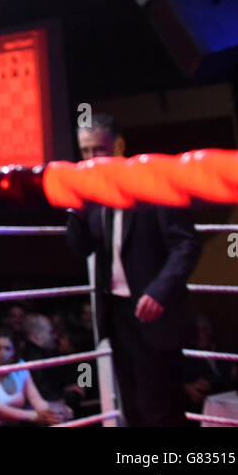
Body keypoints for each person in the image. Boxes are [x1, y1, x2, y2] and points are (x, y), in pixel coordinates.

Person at [65, 113, 203, 426]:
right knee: (133, 408)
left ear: (119, 145)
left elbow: (187, 244)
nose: (91, 159)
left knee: (162, 410)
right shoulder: (94, 191)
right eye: (84, 152)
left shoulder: (154, 182)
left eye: (97, 150)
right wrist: (76, 207)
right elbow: (80, 248)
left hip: (155, 313)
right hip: (116, 313)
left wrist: (159, 292)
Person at [0, 329, 63, 425]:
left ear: (14, 351)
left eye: (7, 349)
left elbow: (35, 399)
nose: (2, 354)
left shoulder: (20, 367)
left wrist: (51, 413)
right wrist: (33, 416)